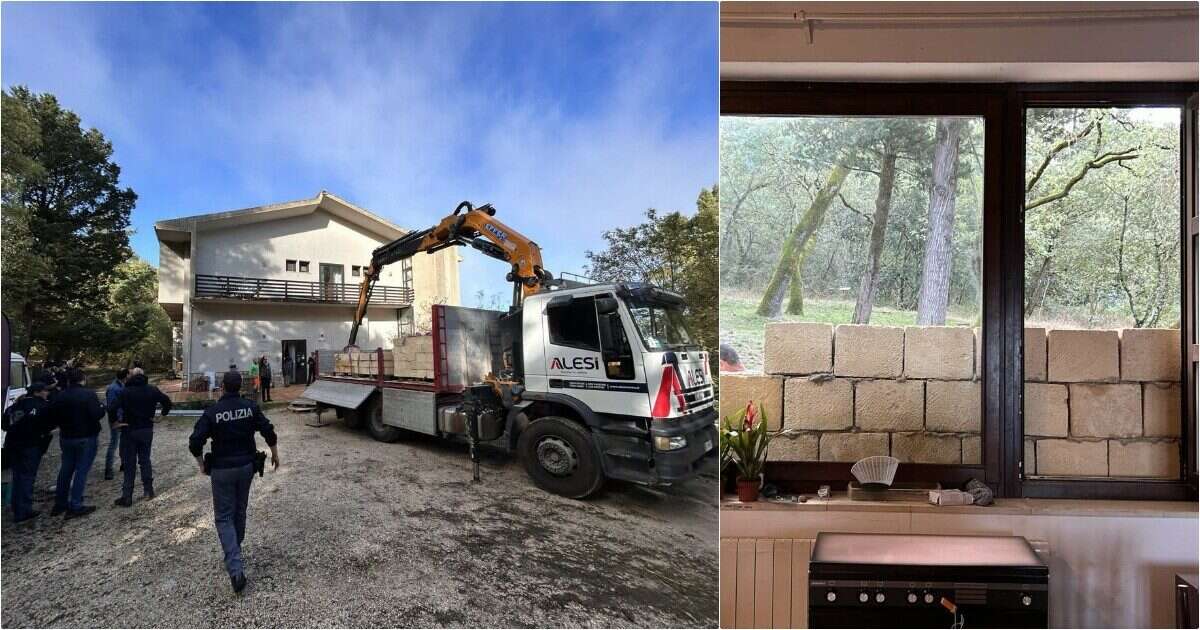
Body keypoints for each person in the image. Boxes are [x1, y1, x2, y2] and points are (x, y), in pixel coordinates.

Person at [189, 370, 279, 593]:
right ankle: (235, 551)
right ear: (240, 386)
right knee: (239, 511)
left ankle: (235, 568)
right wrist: (275, 453)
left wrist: (201, 463)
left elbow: (195, 441)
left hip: (222, 469)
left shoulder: (213, 412)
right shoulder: (250, 407)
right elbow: (268, 430)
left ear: (222, 386)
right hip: (246, 467)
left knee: (223, 517)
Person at [108, 370, 172, 506]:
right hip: (147, 429)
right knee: (145, 460)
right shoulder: (152, 390)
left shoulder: (125, 391)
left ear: (130, 379)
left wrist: (115, 422)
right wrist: (162, 415)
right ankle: (149, 491)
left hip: (129, 429)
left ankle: (127, 496)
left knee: (129, 463)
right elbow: (167, 401)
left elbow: (112, 408)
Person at [48, 367, 106, 518]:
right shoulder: (88, 394)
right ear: (82, 379)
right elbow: (96, 414)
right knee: (81, 471)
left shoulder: (60, 396)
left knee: (65, 470)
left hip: (66, 437)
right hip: (86, 436)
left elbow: (53, 416)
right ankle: (75, 505)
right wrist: (103, 408)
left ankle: (60, 503)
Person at [2, 382, 55, 522]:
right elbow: (49, 425)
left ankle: (16, 506)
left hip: (12, 445)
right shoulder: (42, 406)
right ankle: (24, 510)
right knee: (27, 477)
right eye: (45, 391)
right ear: (37, 392)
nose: (47, 393)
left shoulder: (15, 406)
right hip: (30, 446)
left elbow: (4, 424)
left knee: (17, 476)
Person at [103, 368, 129, 480]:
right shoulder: (114, 388)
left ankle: (124, 464)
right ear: (125, 376)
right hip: (116, 420)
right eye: (129, 374)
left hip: (123, 418)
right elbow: (111, 407)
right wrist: (115, 421)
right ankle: (108, 469)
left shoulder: (122, 386)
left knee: (124, 443)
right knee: (113, 444)